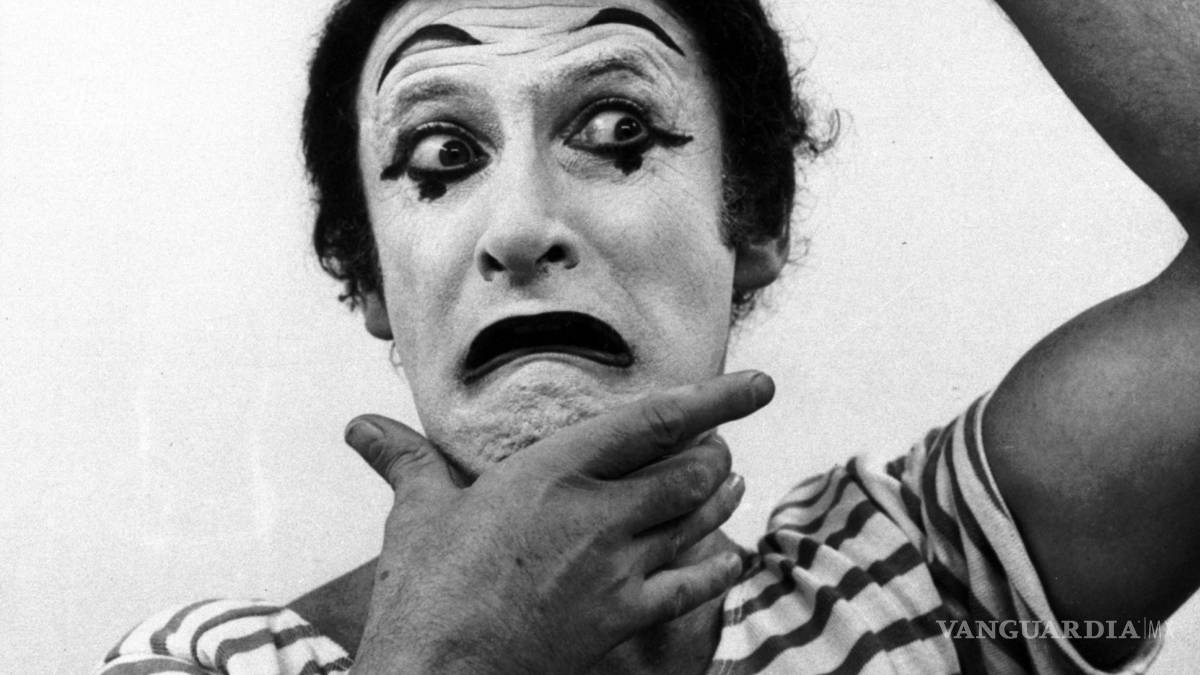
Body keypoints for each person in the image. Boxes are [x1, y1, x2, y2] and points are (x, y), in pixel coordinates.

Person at [96, 0, 1200, 673]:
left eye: (617, 130)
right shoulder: (207, 663)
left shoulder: (929, 592)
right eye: (442, 156)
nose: (521, 228)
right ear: (373, 274)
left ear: (752, 223)